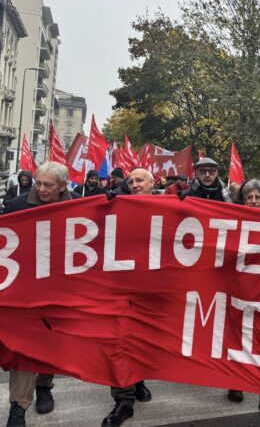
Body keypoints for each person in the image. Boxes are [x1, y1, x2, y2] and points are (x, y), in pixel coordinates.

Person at [3, 162, 81, 426]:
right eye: (38, 183)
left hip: (62, 289)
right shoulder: (17, 205)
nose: (41, 188)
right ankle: (18, 406)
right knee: (24, 347)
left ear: (63, 185)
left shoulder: (82, 205)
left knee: (51, 342)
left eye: (48, 185)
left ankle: (44, 386)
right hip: (25, 288)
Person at [101, 167, 154, 426]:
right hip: (121, 289)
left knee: (144, 342)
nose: (134, 184)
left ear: (152, 183)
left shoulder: (171, 207)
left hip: (154, 290)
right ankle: (123, 400)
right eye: (131, 180)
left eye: (139, 180)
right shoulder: (115, 206)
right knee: (120, 342)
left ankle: (139, 381)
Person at [226, 180, 260, 417]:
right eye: (249, 197)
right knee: (235, 336)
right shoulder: (232, 223)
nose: (253, 201)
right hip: (239, 290)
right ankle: (236, 382)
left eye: (258, 197)